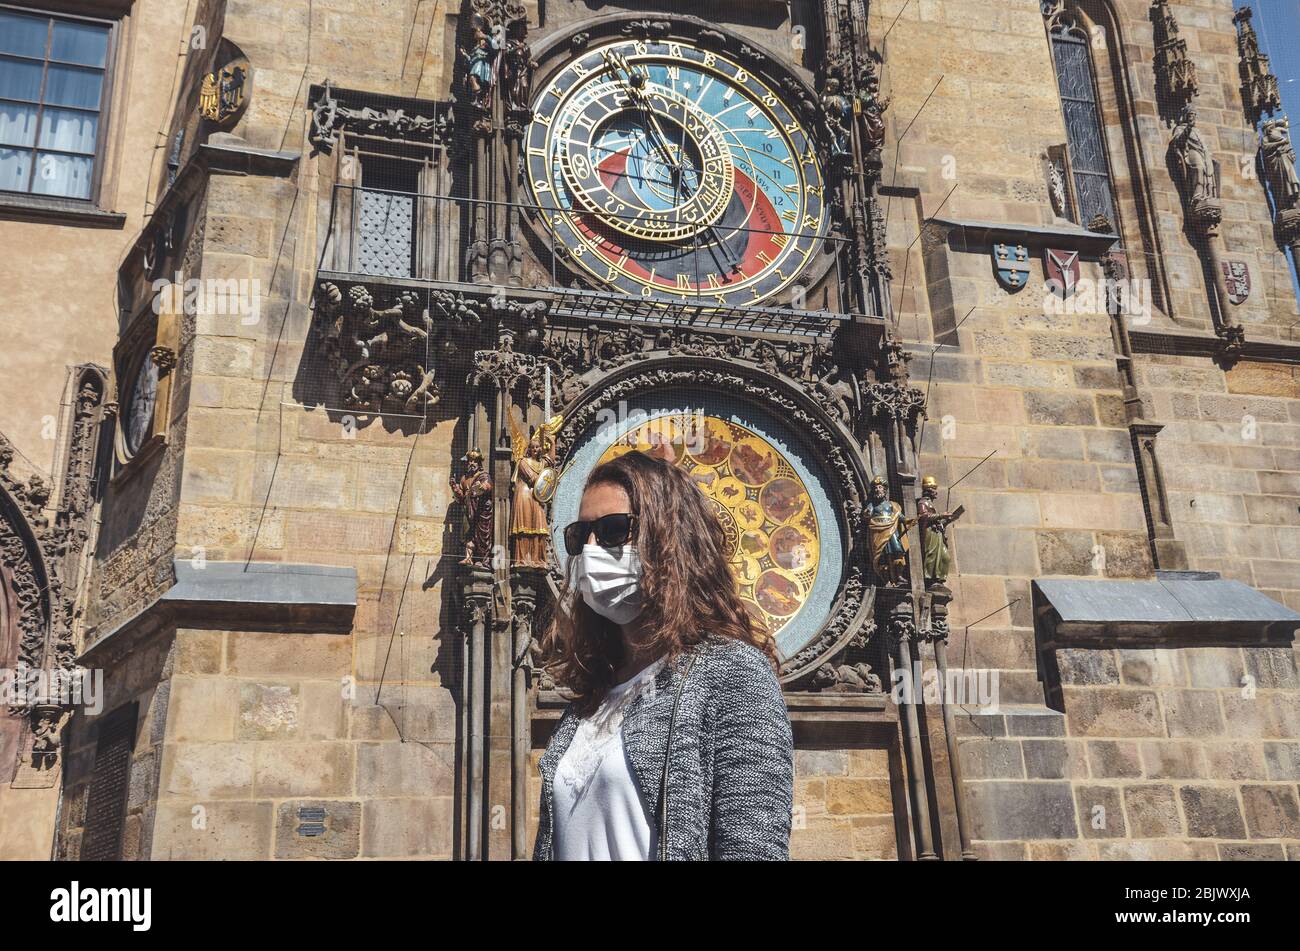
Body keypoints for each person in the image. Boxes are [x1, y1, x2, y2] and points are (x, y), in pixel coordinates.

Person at [533, 450, 793, 861]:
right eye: (580, 536)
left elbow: (753, 847)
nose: (592, 549)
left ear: (671, 538)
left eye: (615, 529)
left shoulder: (731, 674)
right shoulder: (592, 698)